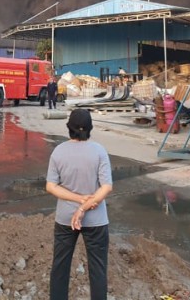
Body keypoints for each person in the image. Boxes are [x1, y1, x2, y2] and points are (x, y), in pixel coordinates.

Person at [46, 108, 113, 300]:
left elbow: (51, 186)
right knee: (98, 270)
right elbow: (106, 187)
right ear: (90, 128)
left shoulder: (58, 151)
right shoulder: (99, 151)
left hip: (65, 219)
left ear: (69, 128)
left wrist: (77, 203)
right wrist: (85, 203)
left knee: (60, 268)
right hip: (97, 220)